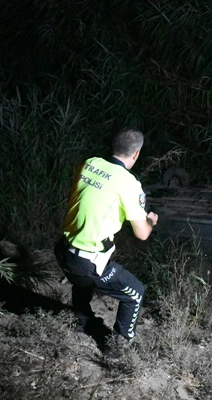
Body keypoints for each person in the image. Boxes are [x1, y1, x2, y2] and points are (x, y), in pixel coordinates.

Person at [54, 128, 158, 358]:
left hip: (62, 251)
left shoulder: (89, 163)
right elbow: (142, 234)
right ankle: (119, 345)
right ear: (136, 154)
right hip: (85, 262)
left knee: (81, 279)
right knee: (135, 292)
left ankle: (83, 321)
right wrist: (150, 220)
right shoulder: (129, 183)